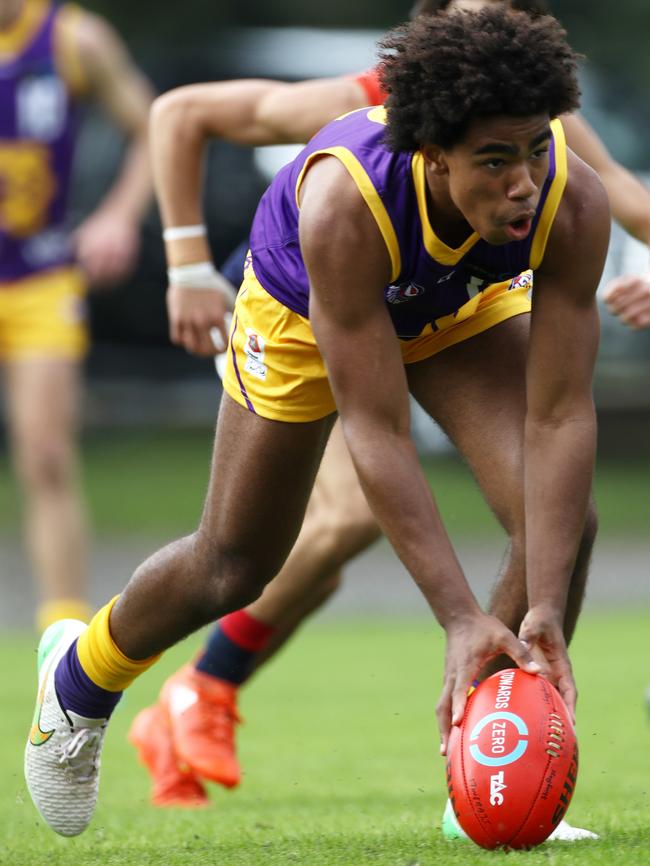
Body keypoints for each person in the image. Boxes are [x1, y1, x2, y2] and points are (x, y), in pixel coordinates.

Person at [25, 6, 609, 840]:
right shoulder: (348, 202)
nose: (524, 180)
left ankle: (489, 766)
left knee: (560, 519)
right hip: (306, 304)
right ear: (433, 156)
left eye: (536, 148)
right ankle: (79, 684)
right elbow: (377, 430)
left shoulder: (566, 202)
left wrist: (544, 606)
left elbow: (558, 417)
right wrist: (457, 615)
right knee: (234, 565)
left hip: (457, 308)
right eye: (494, 159)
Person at [0, 0, 154, 631]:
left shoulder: (74, 39)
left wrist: (118, 214)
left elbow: (152, 127)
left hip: (40, 279)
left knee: (44, 454)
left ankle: (60, 640)